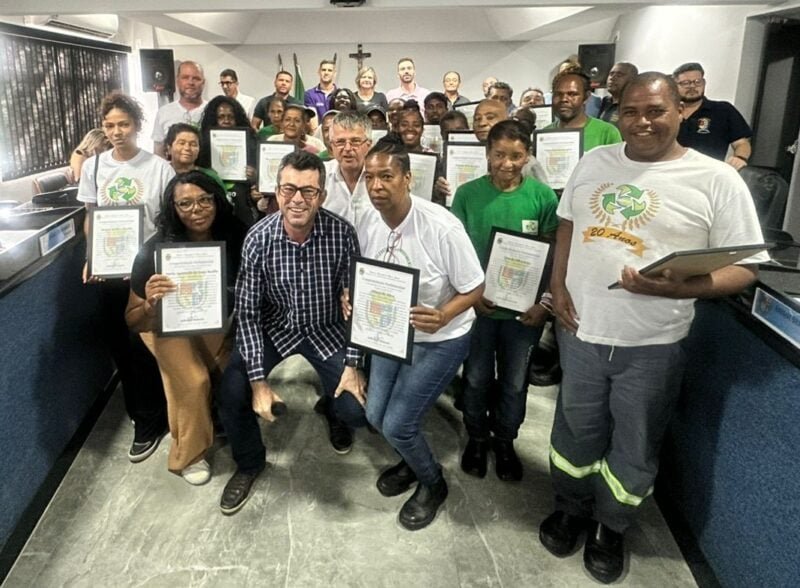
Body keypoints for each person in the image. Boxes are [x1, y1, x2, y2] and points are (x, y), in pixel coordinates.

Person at [539, 72, 769, 584]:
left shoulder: (716, 179)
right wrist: (557, 285)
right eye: (631, 111)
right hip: (581, 333)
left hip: (653, 344)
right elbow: (568, 223)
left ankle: (611, 526)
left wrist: (681, 289)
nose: (642, 122)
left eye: (655, 111)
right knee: (575, 430)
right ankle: (571, 506)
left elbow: (746, 268)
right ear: (616, 114)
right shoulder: (594, 162)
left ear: (680, 112)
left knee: (636, 442)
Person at [215, 151, 367, 515]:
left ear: (322, 196)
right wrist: (257, 382)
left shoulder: (342, 234)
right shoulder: (258, 238)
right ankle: (249, 463)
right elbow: (248, 313)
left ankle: (332, 407)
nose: (298, 199)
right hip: (275, 328)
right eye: (289, 189)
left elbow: (355, 304)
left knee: (356, 409)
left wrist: (352, 364)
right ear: (277, 192)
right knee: (232, 390)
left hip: (325, 328)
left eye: (308, 191)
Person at [346, 135, 484, 531]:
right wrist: (352, 296)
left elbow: (476, 287)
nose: (376, 186)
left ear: (408, 178)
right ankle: (411, 459)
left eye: (386, 177)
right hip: (391, 331)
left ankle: (432, 481)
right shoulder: (368, 218)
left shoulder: (441, 227)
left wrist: (442, 315)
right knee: (374, 413)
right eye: (370, 177)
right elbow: (369, 273)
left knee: (398, 423)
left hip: (441, 338)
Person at [451, 120, 559, 482]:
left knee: (515, 382)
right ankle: (477, 437)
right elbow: (456, 254)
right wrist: (471, 296)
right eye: (499, 155)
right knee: (476, 378)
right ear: (487, 154)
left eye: (516, 156)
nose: (507, 164)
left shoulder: (543, 197)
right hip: (479, 309)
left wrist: (544, 304)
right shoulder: (467, 195)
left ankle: (505, 440)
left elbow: (553, 256)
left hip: (524, 315)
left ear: (528, 156)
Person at [125, 170, 247, 485]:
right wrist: (150, 304)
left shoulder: (236, 234)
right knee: (193, 380)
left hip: (215, 320)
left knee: (230, 369)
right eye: (185, 203)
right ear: (173, 208)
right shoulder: (154, 250)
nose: (197, 209)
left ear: (217, 201)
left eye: (204, 200)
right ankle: (189, 455)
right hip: (164, 325)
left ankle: (218, 421)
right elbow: (133, 320)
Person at [78, 91, 172, 462]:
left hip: (146, 269)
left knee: (147, 346)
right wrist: (92, 257)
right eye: (109, 125)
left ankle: (159, 415)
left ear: (137, 126)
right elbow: (91, 216)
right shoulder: (94, 167)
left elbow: (166, 222)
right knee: (121, 346)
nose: (117, 132)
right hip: (109, 272)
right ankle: (141, 415)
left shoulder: (158, 168)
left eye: (124, 124)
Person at [673, 62, 753, 170]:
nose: (692, 86)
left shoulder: (723, 110)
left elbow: (741, 143)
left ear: (704, 83)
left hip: (710, 174)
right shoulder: (667, 112)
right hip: (670, 172)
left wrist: (740, 158)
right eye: (685, 83)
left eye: (697, 82)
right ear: (674, 86)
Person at [197, 96, 261, 227]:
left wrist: (255, 176)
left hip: (243, 212)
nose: (226, 121)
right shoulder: (202, 146)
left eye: (230, 117)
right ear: (213, 119)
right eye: (221, 117)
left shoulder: (251, 144)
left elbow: (260, 185)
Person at [547, 71, 622, 151]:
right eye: (558, 94)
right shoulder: (544, 134)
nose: (564, 99)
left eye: (572, 94)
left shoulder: (607, 133)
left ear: (587, 97)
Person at [323, 111, 373, 226]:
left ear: (369, 144)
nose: (347, 148)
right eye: (340, 142)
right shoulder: (320, 176)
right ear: (331, 145)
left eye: (355, 141)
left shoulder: (382, 178)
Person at [152, 61, 206, 158]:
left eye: (196, 78)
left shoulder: (213, 110)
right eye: (185, 77)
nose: (190, 82)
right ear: (177, 81)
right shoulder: (164, 112)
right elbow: (158, 151)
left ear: (203, 82)